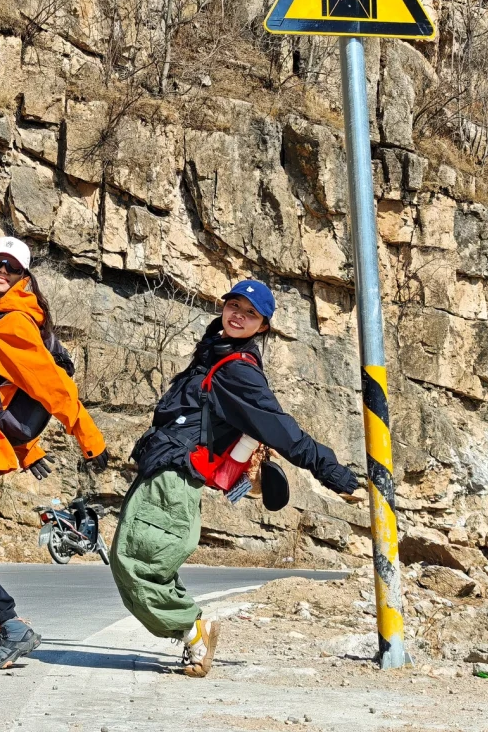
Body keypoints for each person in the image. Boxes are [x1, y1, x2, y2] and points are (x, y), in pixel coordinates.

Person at [112, 279, 361, 677]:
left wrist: (331, 471)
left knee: (136, 563)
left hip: (174, 477)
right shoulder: (214, 352)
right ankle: (193, 634)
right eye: (234, 306)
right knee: (145, 561)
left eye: (250, 314)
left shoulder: (238, 371)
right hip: (163, 470)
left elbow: (280, 427)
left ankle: (191, 629)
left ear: (263, 326)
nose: (239, 316)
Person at [0, 236, 106, 670]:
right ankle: (6, 625)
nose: (3, 270)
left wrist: (89, 438)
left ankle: (9, 625)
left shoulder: (13, 323)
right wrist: (27, 448)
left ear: (23, 278)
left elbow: (52, 386)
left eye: (13, 267)